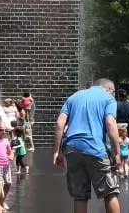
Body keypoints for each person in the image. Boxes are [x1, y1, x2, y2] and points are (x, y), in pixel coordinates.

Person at [53, 78, 120, 213]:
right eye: (113, 93)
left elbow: (60, 124)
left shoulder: (73, 97)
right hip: (95, 148)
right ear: (109, 89)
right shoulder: (108, 98)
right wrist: (117, 152)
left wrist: (57, 151)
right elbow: (110, 123)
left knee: (80, 196)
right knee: (109, 192)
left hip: (71, 149)